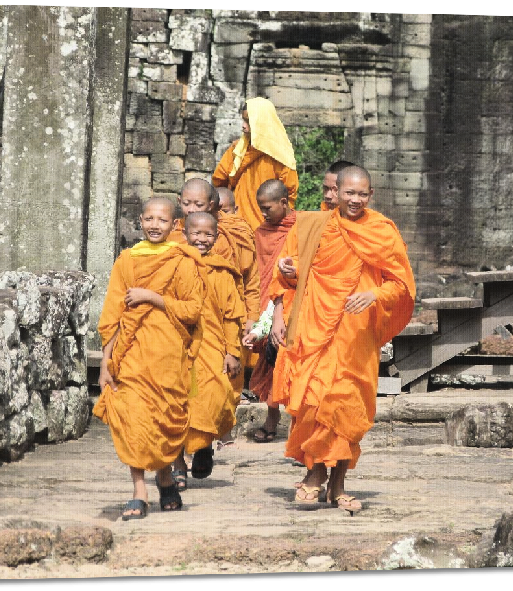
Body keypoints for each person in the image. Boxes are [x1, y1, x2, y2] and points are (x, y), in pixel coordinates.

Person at [268, 165, 416, 515]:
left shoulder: (381, 231)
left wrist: (374, 295)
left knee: (346, 404)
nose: (354, 200)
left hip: (356, 334)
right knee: (315, 402)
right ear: (336, 192)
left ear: (371, 195)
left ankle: (332, 484)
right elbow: (288, 277)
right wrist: (289, 274)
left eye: (361, 194)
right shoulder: (313, 226)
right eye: (348, 193)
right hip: (314, 328)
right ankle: (318, 476)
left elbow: (401, 285)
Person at [93, 197, 206, 520]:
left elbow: (193, 310)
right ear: (140, 221)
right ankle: (139, 490)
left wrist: (154, 298)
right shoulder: (127, 261)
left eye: (162, 220)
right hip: (131, 355)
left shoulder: (183, 261)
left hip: (168, 356)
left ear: (175, 225)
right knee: (133, 420)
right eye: (149, 219)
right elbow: (112, 314)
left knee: (164, 420)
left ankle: (167, 475)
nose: (155, 225)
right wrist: (105, 363)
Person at [169, 211, 246, 490]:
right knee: (177, 403)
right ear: (185, 233)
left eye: (208, 234)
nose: (202, 239)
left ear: (217, 236)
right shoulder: (172, 264)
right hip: (178, 345)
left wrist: (232, 351)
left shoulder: (222, 270)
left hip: (213, 346)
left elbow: (231, 315)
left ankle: (203, 446)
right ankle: (177, 464)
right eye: (196, 233)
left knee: (215, 395)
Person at [169, 179, 260, 395]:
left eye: (198, 205)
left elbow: (250, 279)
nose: (191, 209)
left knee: (223, 392)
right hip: (182, 323)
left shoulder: (235, 232)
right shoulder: (174, 234)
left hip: (226, 320)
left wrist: (251, 316)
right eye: (187, 204)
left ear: (212, 204)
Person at [241, 179, 297, 443]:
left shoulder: (300, 228)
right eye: (260, 208)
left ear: (284, 203)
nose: (263, 214)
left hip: (294, 302)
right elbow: (258, 272)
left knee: (295, 364)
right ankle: (272, 418)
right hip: (266, 303)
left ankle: (298, 425)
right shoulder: (262, 232)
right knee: (271, 362)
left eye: (267, 208)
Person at [212, 97, 299, 232]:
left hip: (269, 227)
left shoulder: (281, 155)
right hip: (235, 225)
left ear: (261, 123)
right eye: (243, 120)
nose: (243, 126)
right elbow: (219, 181)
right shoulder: (238, 149)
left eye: (248, 121)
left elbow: (289, 195)